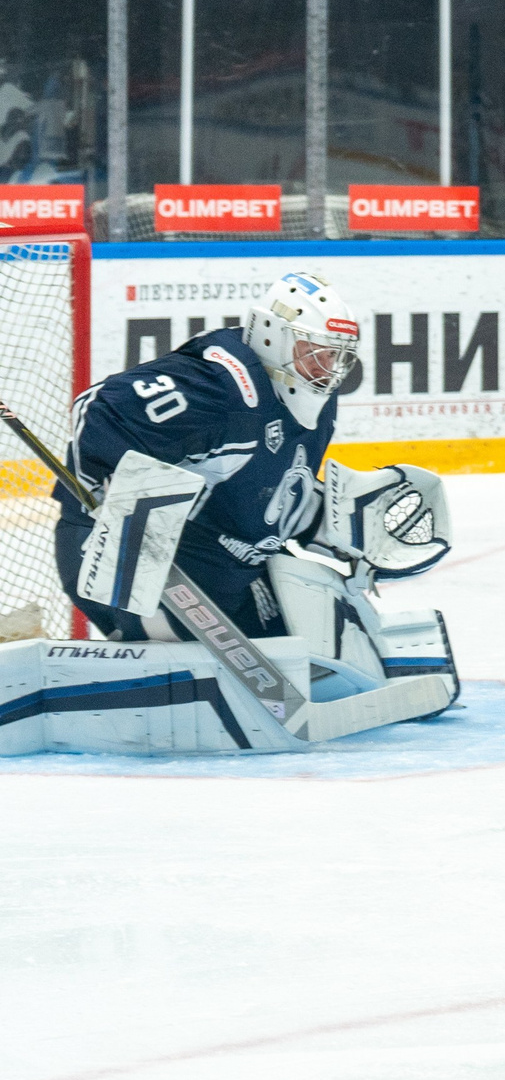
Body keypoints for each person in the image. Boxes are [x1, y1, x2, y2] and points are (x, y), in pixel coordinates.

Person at [20, 272, 461, 752]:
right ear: (273, 336)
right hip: (117, 558)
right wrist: (112, 493)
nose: (327, 369)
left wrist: (333, 524)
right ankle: (137, 663)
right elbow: (98, 406)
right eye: (314, 352)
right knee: (219, 649)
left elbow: (266, 491)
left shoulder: (312, 401)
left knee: (310, 639)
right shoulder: (221, 386)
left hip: (223, 564)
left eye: (336, 356)